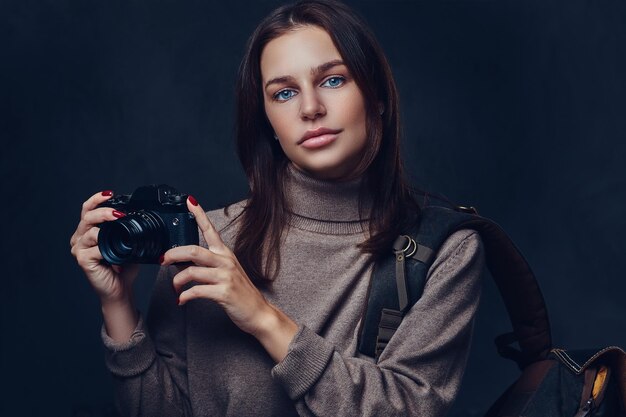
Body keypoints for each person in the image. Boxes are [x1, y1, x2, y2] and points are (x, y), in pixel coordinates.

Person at [70, 1, 484, 415]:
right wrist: (118, 305)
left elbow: (407, 409)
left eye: (334, 80)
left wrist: (264, 319)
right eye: (284, 93)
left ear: (376, 96)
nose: (310, 108)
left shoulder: (440, 250)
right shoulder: (203, 243)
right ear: (266, 117)